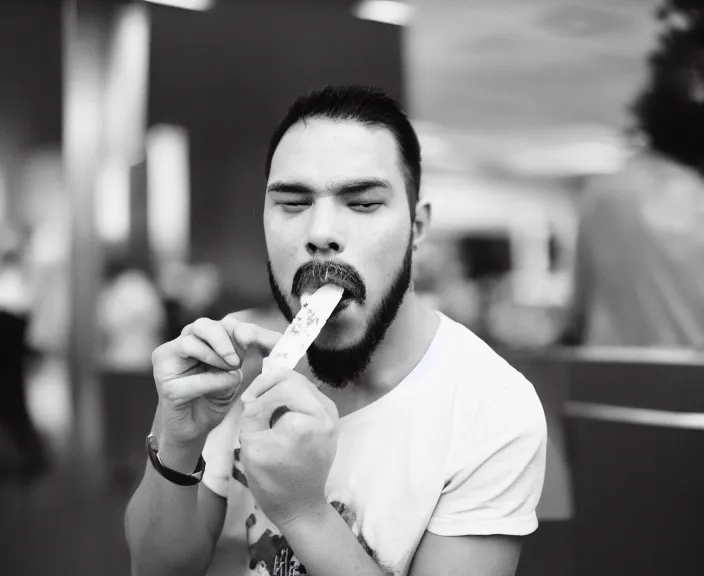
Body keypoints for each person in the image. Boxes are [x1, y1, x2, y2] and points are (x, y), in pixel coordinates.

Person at [125, 85, 547, 576]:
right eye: (292, 202)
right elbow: (156, 569)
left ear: (417, 227)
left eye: (363, 202)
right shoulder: (236, 365)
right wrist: (178, 441)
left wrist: (303, 512)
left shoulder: (490, 407)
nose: (320, 232)